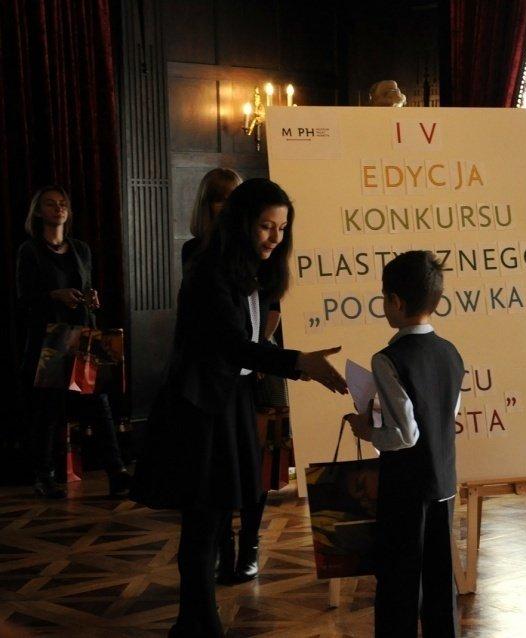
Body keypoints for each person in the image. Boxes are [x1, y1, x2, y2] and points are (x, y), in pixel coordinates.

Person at [131, 178, 349, 636]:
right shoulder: (210, 270)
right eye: (267, 226)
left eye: (282, 228)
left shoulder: (250, 270)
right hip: (199, 409)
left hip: (227, 401)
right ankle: (198, 623)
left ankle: (194, 623)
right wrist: (298, 362)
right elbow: (231, 346)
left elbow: (249, 343)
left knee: (213, 519)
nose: (276, 237)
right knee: (202, 521)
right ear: (242, 222)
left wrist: (294, 362)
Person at [347, 251, 464, 638]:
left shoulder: (388, 359)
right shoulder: (451, 352)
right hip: (444, 483)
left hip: (406, 489)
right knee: (440, 581)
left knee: (399, 582)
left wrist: (367, 429)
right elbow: (447, 413)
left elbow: (405, 434)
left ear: (394, 301)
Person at [180, 167, 269, 584]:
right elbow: (217, 323)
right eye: (221, 199)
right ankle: (224, 546)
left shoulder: (259, 249)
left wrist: (261, 353)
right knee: (218, 471)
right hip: (221, 372)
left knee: (256, 465)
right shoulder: (198, 254)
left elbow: (270, 304)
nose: (229, 206)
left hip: (258, 364)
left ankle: (249, 544)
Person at [16, 186, 130, 499]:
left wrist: (92, 298)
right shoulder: (30, 250)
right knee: (48, 410)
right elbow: (24, 299)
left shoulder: (81, 249)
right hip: (50, 341)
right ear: (38, 212)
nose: (59, 208)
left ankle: (117, 472)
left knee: (100, 405)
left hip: (83, 337)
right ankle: (44, 476)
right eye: (51, 204)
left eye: (63, 204)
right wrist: (55, 295)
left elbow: (87, 285)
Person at [182, 168, 242, 267]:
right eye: (219, 200)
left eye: (233, 200)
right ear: (206, 205)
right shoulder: (191, 248)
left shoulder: (250, 245)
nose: (227, 206)